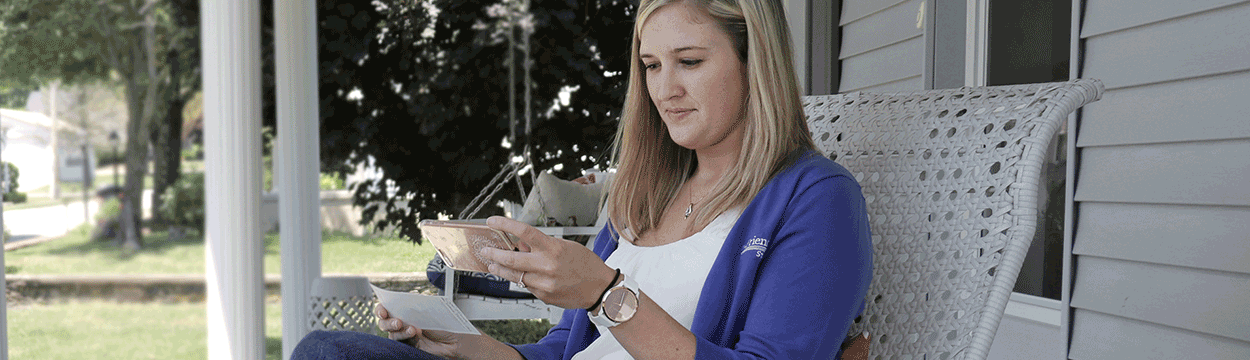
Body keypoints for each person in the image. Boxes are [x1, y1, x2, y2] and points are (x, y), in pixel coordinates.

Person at [293, 0, 872, 358]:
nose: (664, 90)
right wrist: (466, 347)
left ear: (756, 64)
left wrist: (606, 293)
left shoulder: (816, 200)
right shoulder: (643, 198)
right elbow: (566, 351)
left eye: (690, 62)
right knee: (333, 352)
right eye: (650, 66)